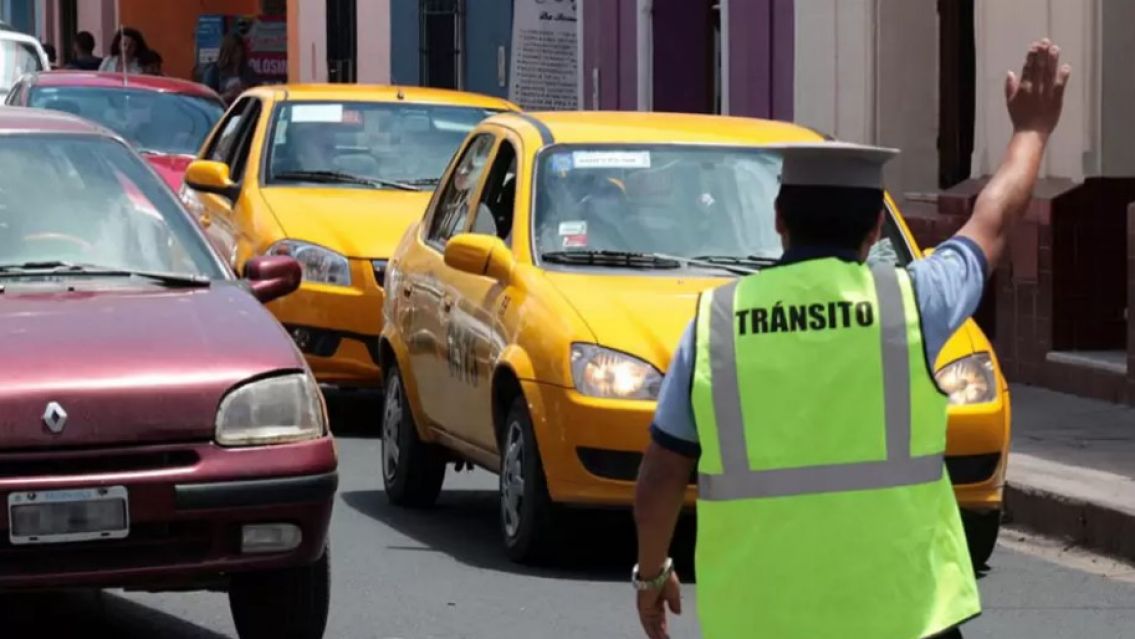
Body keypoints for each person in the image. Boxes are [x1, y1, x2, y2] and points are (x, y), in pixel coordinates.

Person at [631, 39, 1071, 639]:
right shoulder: (914, 301)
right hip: (906, 617)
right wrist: (1033, 131)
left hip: (763, 621)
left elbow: (659, 477)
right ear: (873, 231)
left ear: (779, 219)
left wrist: (652, 575)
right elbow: (992, 221)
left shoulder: (714, 324)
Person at [204, 33, 257, 104]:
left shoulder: (248, 71)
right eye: (235, 52)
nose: (239, 55)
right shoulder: (214, 71)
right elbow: (207, 101)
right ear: (228, 52)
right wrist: (227, 95)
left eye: (241, 52)